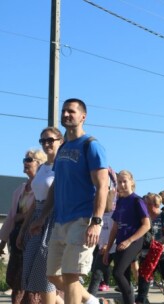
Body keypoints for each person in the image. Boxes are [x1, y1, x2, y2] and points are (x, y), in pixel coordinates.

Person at [29, 98, 109, 304]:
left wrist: (96, 222)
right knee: (52, 275)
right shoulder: (63, 150)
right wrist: (42, 217)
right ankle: (92, 301)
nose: (65, 114)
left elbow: (102, 185)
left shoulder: (91, 145)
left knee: (71, 275)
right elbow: (56, 187)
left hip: (82, 220)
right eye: (64, 111)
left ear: (83, 116)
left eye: (71, 111)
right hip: (60, 221)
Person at [17, 128, 64, 304]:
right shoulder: (43, 168)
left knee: (47, 272)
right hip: (37, 218)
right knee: (36, 274)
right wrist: (23, 230)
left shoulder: (62, 166)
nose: (46, 144)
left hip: (53, 218)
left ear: (60, 141)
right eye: (43, 141)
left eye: (50, 140)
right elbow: (35, 202)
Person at [0, 149, 46, 304]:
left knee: (29, 281)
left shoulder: (43, 189)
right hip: (17, 238)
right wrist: (3, 241)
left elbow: (41, 211)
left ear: (39, 164)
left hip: (34, 237)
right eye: (24, 159)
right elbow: (11, 217)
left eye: (29, 159)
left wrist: (23, 216)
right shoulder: (19, 190)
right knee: (14, 279)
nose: (25, 162)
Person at [104, 170, 151, 304]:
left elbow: (146, 225)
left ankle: (136, 300)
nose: (122, 184)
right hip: (120, 242)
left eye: (125, 181)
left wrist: (130, 240)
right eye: (119, 182)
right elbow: (115, 227)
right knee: (123, 277)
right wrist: (107, 250)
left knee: (117, 273)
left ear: (131, 182)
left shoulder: (137, 200)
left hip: (134, 241)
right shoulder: (119, 202)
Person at [136, 193, 164, 304]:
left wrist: (156, 244)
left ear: (153, 205)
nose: (143, 205)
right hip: (146, 255)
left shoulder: (163, 216)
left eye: (146, 203)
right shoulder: (143, 217)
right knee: (144, 278)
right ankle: (141, 301)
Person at [87, 178, 116, 296]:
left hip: (115, 246)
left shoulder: (115, 210)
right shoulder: (98, 211)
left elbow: (116, 230)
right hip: (102, 246)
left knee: (121, 276)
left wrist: (108, 244)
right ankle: (90, 299)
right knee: (96, 274)